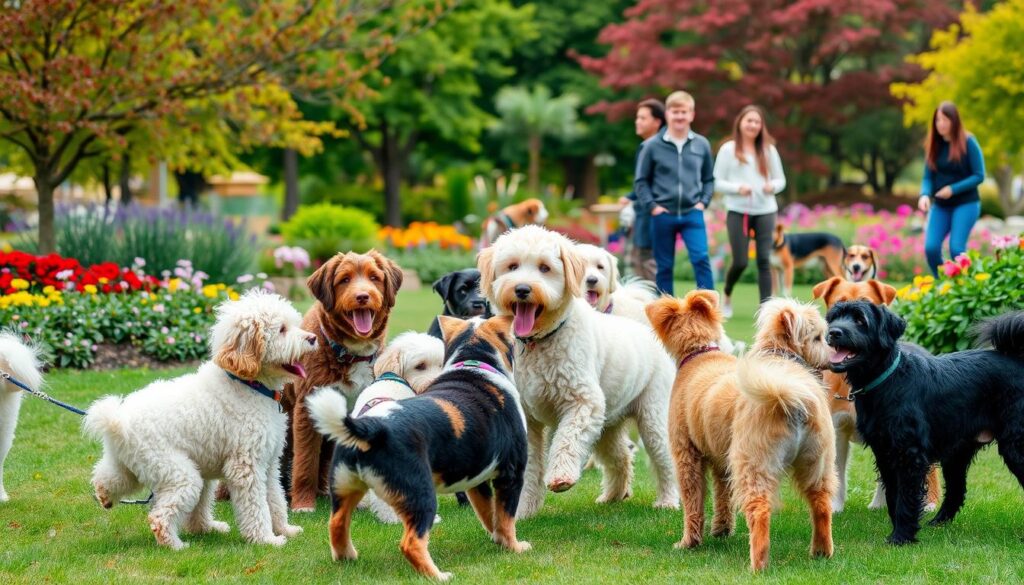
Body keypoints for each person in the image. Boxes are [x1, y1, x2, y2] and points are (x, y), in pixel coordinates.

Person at [634, 91, 715, 295]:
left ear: (692, 114)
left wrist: (703, 202)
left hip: (692, 213)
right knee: (664, 266)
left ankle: (708, 309)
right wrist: (653, 207)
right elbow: (641, 182)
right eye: (675, 111)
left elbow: (708, 179)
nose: (679, 116)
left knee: (701, 259)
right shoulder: (651, 146)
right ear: (668, 114)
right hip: (663, 215)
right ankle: (667, 312)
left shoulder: (701, 144)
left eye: (684, 112)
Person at [713, 105, 786, 317]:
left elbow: (781, 179)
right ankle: (727, 293)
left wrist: (772, 186)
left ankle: (765, 310)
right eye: (749, 121)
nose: (753, 125)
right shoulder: (728, 149)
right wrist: (737, 188)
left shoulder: (769, 150)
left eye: (757, 121)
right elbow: (716, 181)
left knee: (764, 259)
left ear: (761, 126)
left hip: (765, 210)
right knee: (741, 261)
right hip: (738, 211)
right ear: (740, 123)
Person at [918, 101, 986, 276]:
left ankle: (967, 286)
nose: (941, 124)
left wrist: (953, 189)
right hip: (941, 206)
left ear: (954, 121)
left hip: (966, 204)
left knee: (956, 249)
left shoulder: (968, 142)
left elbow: (979, 175)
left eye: (945, 119)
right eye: (938, 120)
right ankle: (943, 285)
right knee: (931, 248)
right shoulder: (934, 144)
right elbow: (928, 177)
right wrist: (925, 194)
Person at [618, 99, 666, 281]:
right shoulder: (649, 145)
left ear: (657, 121)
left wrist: (633, 197)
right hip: (647, 211)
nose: (637, 121)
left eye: (643, 118)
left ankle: (657, 305)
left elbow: (648, 182)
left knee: (645, 261)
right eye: (637, 118)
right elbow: (644, 180)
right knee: (641, 260)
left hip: (651, 213)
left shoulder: (654, 146)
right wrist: (630, 197)